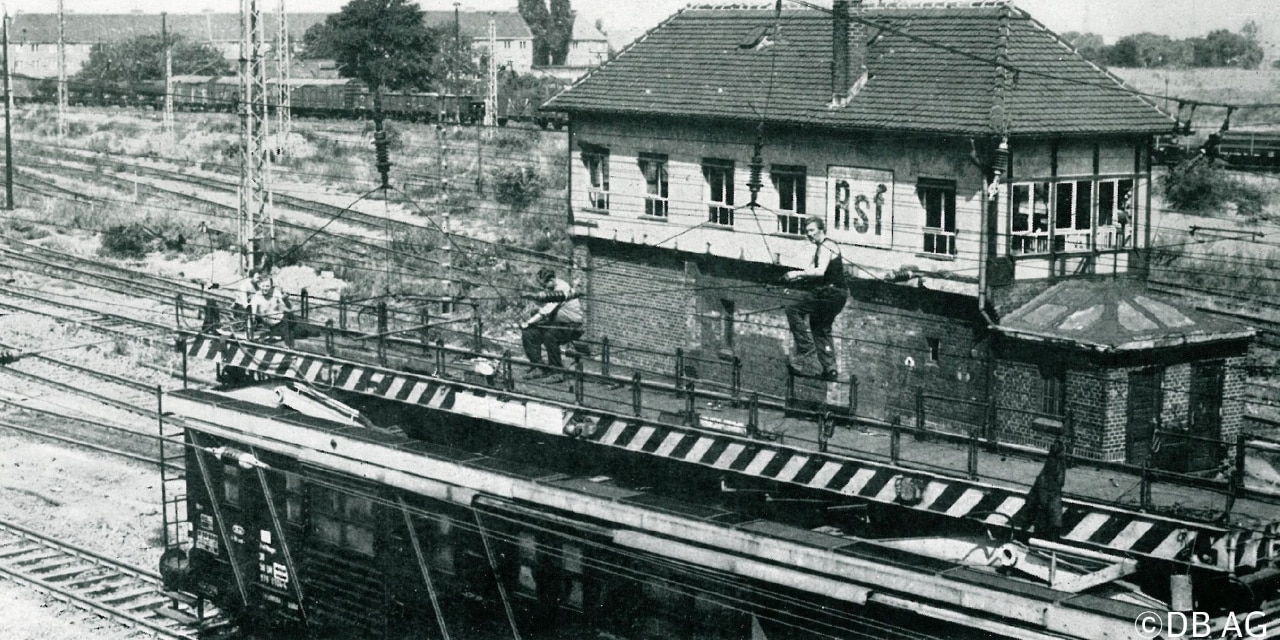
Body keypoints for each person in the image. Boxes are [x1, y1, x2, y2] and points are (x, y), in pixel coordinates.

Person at [783, 216, 847, 380]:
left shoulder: (827, 245)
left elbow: (819, 271)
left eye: (812, 230)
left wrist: (797, 273)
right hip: (838, 295)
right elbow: (812, 269)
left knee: (792, 308)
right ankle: (830, 368)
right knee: (820, 328)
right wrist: (796, 278)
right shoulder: (821, 247)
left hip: (830, 294)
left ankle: (805, 347)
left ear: (821, 230)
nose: (809, 235)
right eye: (807, 232)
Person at [521, 267, 584, 378]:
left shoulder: (562, 289)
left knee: (549, 335)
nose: (544, 288)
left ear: (552, 280)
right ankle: (538, 367)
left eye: (545, 285)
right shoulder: (552, 288)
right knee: (529, 333)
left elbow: (547, 310)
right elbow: (543, 306)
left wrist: (529, 322)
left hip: (571, 325)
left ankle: (557, 371)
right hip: (557, 322)